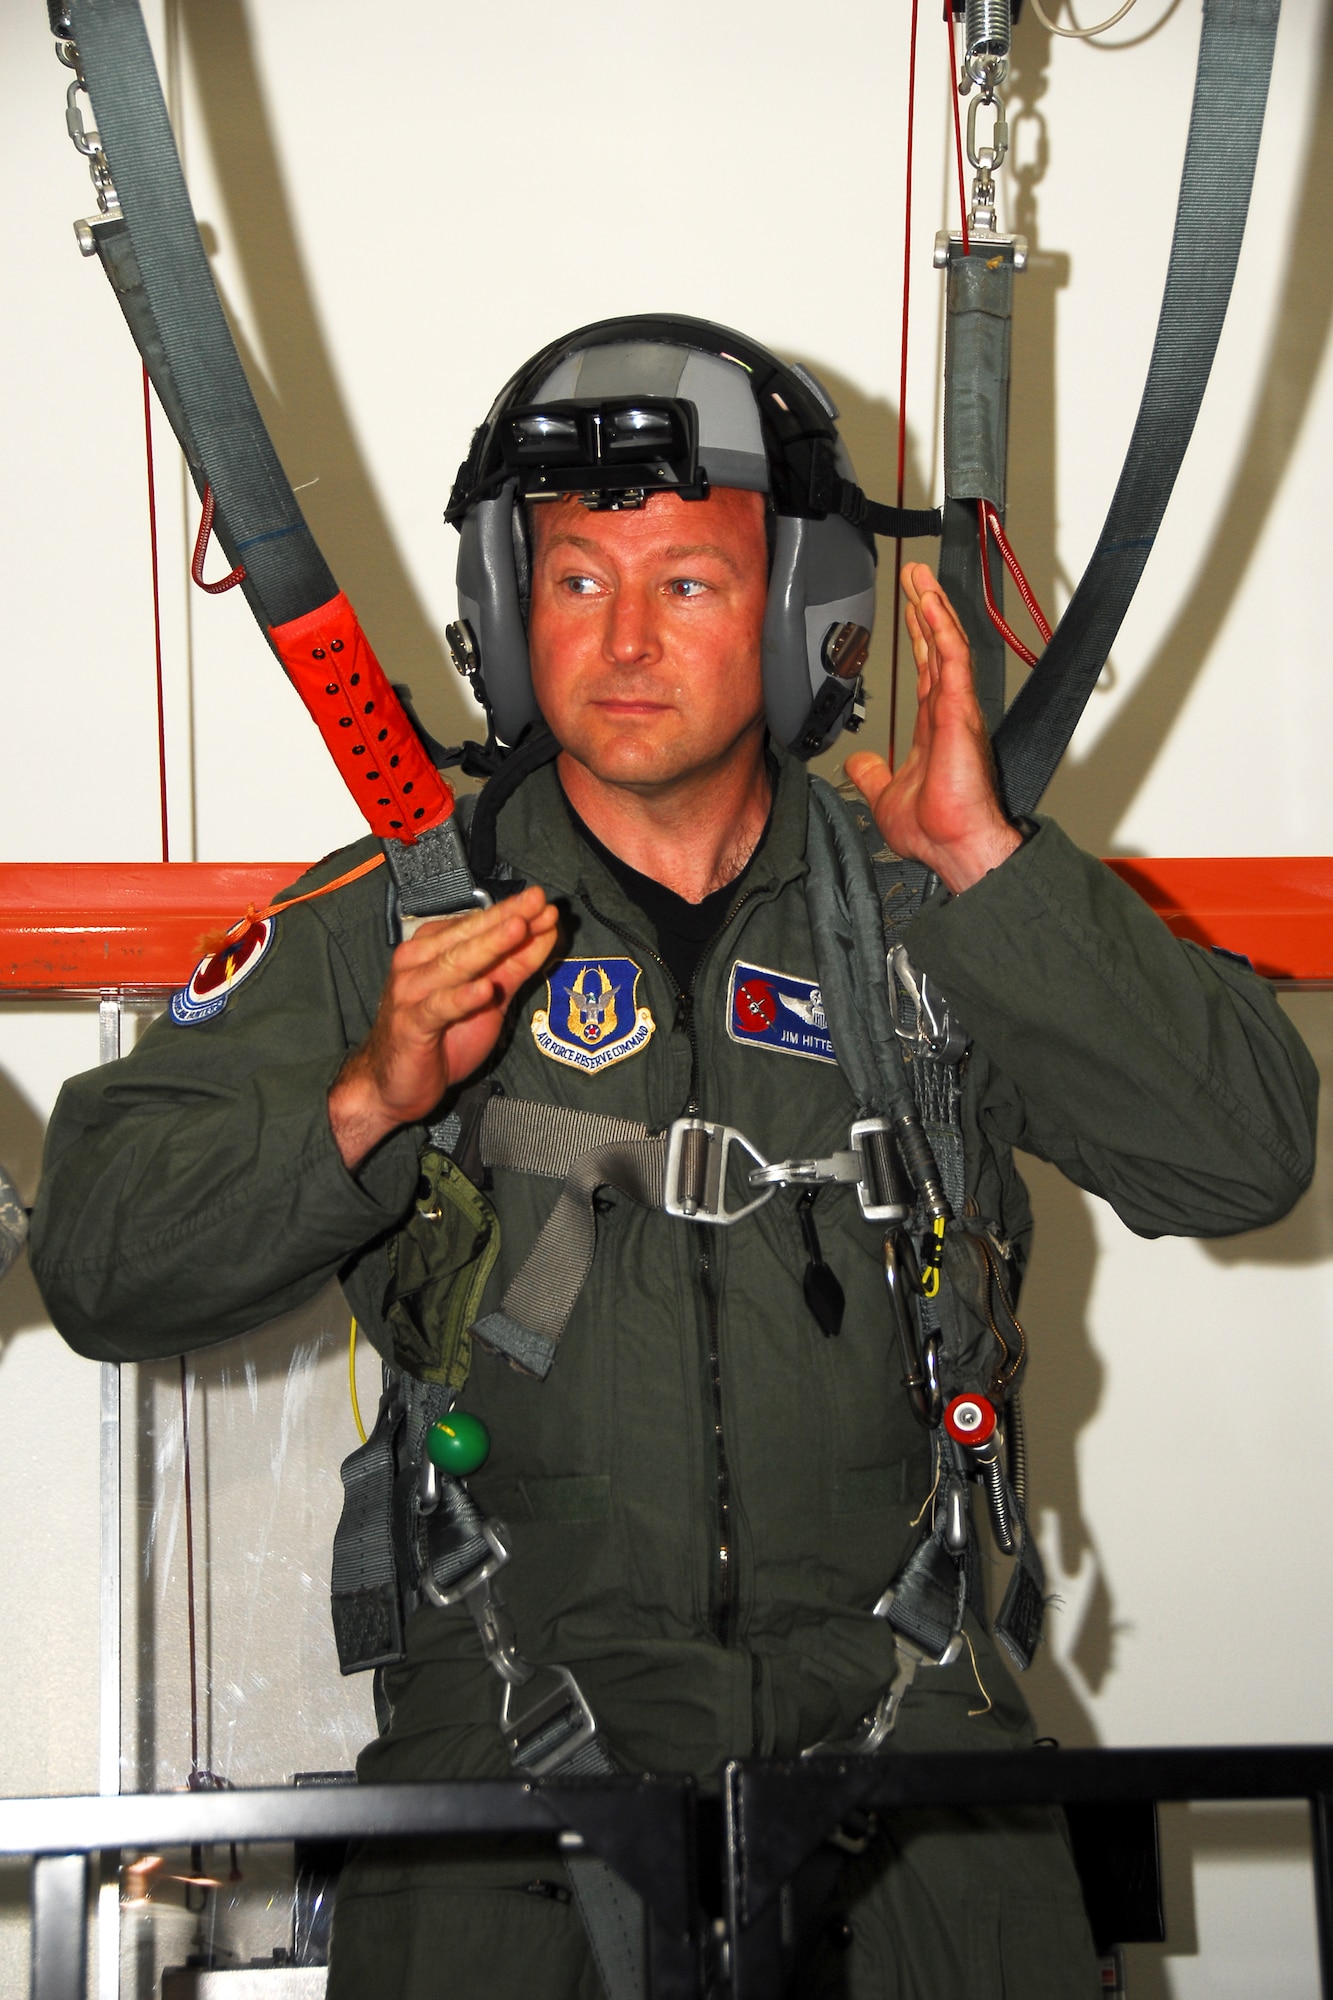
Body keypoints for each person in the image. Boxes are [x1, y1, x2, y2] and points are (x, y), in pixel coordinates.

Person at [30, 317, 1318, 2000]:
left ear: (794, 616)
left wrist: (998, 876)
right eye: (573, 581)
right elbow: (99, 1262)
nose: (623, 639)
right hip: (503, 1755)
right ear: (503, 608)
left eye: (688, 587)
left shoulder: (930, 902)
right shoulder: (396, 919)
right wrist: (368, 1093)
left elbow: (1241, 1156)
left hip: (914, 1732)